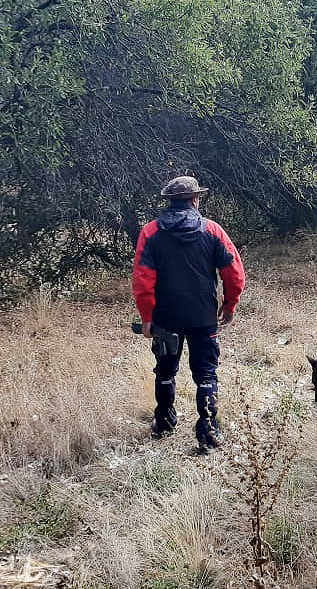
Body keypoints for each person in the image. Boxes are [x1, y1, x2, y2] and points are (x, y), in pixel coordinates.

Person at [131, 175, 245, 453]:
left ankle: (164, 422)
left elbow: (142, 280)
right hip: (203, 317)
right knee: (206, 374)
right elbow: (235, 274)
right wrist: (229, 305)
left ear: (169, 201)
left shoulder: (150, 232)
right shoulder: (213, 230)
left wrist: (147, 318)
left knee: (165, 372)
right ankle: (208, 431)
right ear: (195, 199)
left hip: (165, 317)